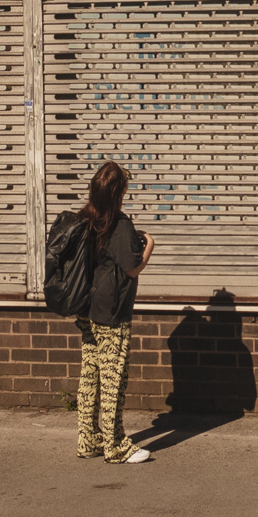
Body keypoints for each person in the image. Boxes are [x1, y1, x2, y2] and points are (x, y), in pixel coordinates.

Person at [75, 160, 154, 465]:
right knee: (113, 378)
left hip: (89, 308)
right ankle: (115, 446)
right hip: (111, 312)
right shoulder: (119, 224)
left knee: (91, 375)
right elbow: (132, 268)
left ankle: (88, 440)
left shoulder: (87, 219)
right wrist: (149, 245)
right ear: (119, 191)